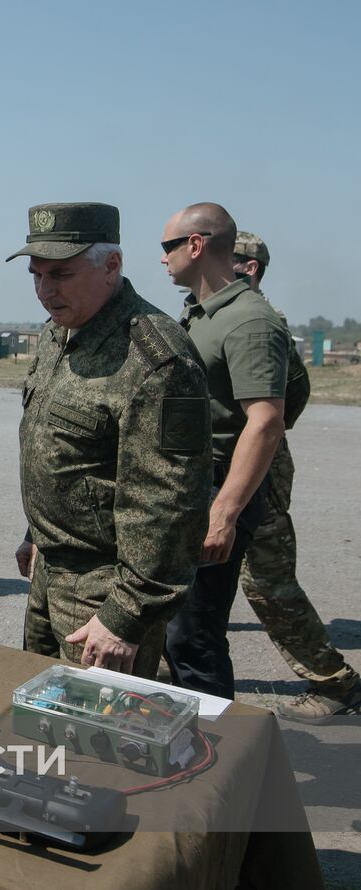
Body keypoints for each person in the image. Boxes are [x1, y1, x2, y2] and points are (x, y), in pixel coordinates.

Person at [11, 202, 211, 678]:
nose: (45, 290)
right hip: (49, 573)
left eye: (60, 274)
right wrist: (35, 532)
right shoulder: (58, 335)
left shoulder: (156, 359)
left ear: (112, 265)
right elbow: (63, 452)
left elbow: (170, 505)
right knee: (39, 718)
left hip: (105, 592)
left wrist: (124, 618)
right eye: (37, 275)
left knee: (98, 740)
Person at [162, 203, 290, 699]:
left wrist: (225, 512)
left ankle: (222, 758)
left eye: (167, 246)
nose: (163, 259)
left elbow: (266, 421)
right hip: (187, 488)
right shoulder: (200, 313)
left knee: (194, 638)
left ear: (195, 246)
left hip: (216, 490)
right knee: (171, 630)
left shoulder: (249, 321)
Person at [231, 231, 360, 719]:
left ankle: (335, 684)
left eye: (232, 259)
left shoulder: (263, 324)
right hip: (223, 464)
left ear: (251, 268)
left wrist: (262, 434)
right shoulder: (216, 316)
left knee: (266, 578)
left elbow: (294, 395)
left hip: (256, 466)